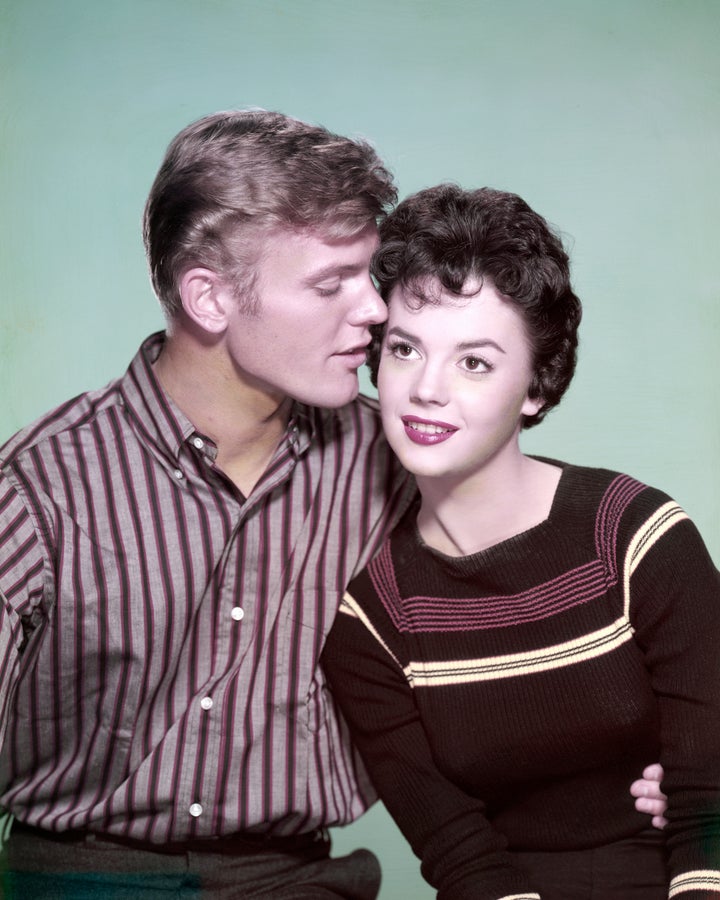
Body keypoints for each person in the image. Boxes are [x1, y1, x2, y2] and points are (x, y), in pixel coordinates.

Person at [0, 112, 665, 898]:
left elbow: (552, 585)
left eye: (369, 272)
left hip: (301, 879)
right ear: (210, 300)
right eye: (330, 283)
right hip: (78, 877)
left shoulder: (398, 459)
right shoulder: (38, 487)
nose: (378, 310)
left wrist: (667, 762)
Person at [321, 184, 720, 899]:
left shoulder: (637, 538)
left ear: (536, 385)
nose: (427, 390)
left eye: (474, 362)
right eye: (406, 350)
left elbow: (708, 805)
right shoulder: (371, 622)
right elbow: (459, 852)